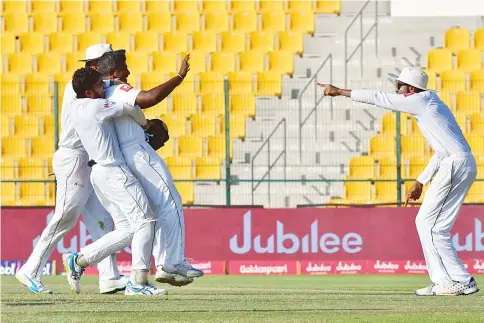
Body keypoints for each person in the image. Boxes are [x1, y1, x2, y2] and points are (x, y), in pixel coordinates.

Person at [318, 67, 479, 296]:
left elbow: (377, 98)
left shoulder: (420, 100)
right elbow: (443, 151)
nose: (396, 90)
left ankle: (458, 280)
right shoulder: (430, 104)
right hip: (456, 163)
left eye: (399, 86)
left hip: (455, 164)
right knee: (430, 225)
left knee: (429, 224)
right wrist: (421, 181)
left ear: (410, 90)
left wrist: (339, 91)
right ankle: (447, 280)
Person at [16, 44, 126, 295]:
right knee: (64, 218)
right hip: (74, 158)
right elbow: (110, 96)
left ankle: (109, 277)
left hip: (88, 160)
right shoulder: (79, 88)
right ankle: (30, 270)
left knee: (102, 221)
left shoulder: (94, 85)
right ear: (96, 64)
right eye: (107, 60)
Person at [97, 50, 203, 285]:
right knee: (171, 201)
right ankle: (171, 262)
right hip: (138, 152)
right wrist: (179, 76)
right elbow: (150, 97)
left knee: (157, 209)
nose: (128, 71)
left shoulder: (101, 92)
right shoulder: (116, 87)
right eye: (124, 67)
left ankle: (166, 262)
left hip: (126, 152)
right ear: (113, 73)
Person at [63, 67, 165, 296]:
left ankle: (79, 261)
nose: (105, 87)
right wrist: (145, 125)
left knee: (129, 228)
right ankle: (138, 282)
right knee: (146, 220)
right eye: (100, 85)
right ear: (88, 92)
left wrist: (108, 81)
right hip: (112, 171)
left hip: (99, 174)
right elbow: (131, 107)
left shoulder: (75, 106)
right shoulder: (96, 106)